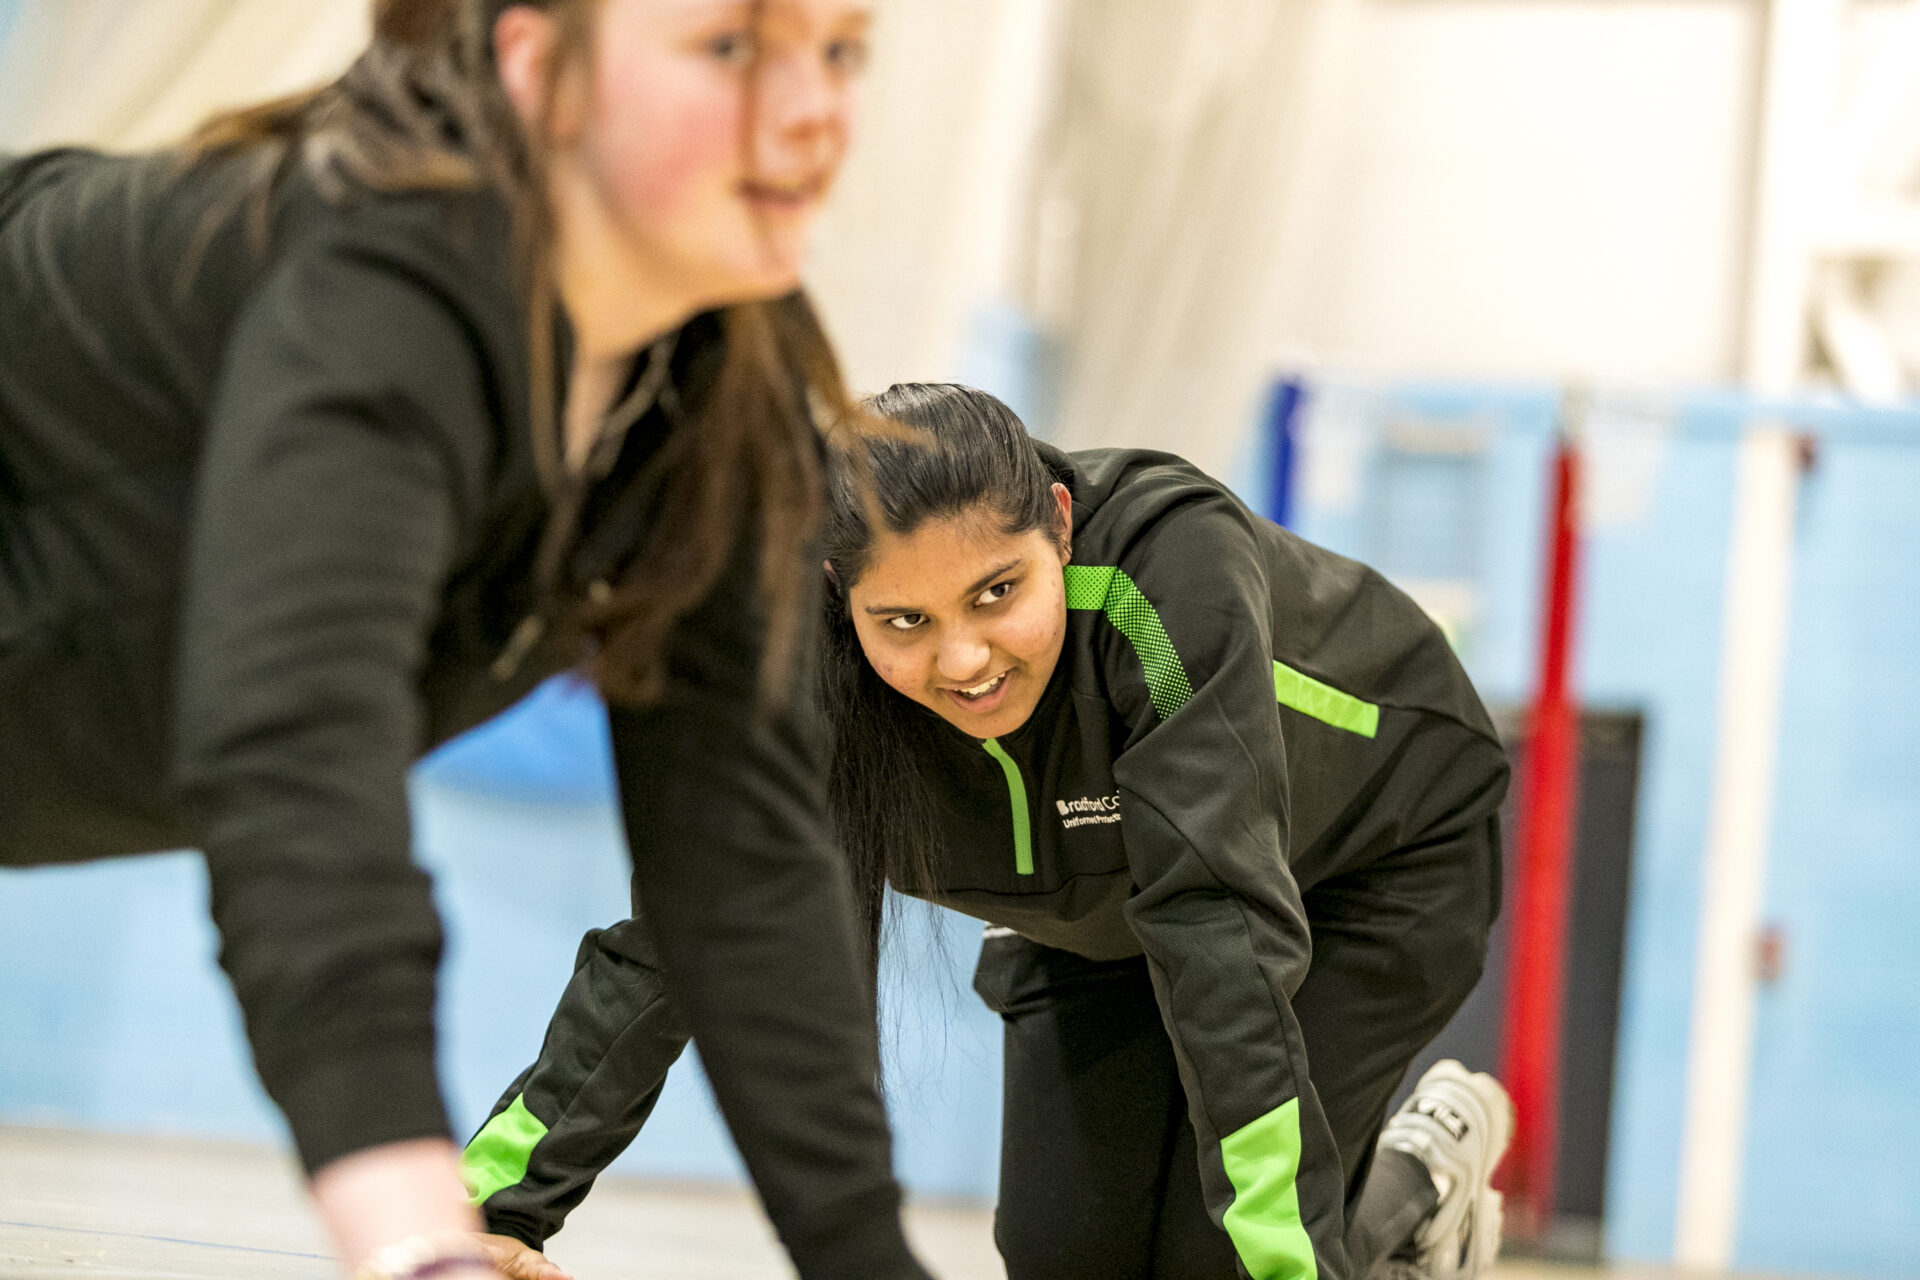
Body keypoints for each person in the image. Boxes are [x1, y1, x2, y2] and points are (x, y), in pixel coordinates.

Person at [0, 3, 935, 1279]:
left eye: (842, 52)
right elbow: (297, 760)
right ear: (538, 67)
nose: (816, 107)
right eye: (730, 49)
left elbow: (743, 859)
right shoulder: (384, 280)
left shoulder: (714, 386)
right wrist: (416, 1240)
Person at [466, 383, 1516, 1280]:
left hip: (1368, 860)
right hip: (1097, 913)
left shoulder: (1169, 574)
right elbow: (682, 939)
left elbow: (1218, 925)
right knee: (1069, 1258)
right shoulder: (798, 673)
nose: (964, 659)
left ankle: (1416, 1188)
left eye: (997, 592)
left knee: (1227, 1256)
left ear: (1059, 523)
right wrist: (487, 1216)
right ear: (841, 591)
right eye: (906, 622)